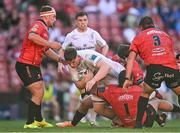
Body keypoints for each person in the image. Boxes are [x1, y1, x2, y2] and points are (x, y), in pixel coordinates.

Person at [123, 16, 180, 128]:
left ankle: (138, 125)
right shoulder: (165, 35)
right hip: (171, 67)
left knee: (145, 93)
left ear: (141, 27)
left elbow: (130, 59)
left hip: (155, 68)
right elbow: (170, 52)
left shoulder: (139, 36)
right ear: (153, 25)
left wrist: (127, 78)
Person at [58, 11, 109, 126]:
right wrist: (60, 63)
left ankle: (92, 119)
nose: (83, 23)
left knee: (93, 91)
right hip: (78, 67)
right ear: (76, 22)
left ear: (87, 21)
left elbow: (104, 45)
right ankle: (83, 113)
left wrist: (103, 58)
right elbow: (62, 49)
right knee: (83, 91)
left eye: (85, 20)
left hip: (92, 64)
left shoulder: (93, 33)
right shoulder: (71, 35)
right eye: (80, 20)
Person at [15, 5, 62, 128]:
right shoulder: (39, 25)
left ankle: (39, 120)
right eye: (53, 17)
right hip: (26, 63)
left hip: (33, 65)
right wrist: (51, 44)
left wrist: (60, 59)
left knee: (40, 92)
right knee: (37, 92)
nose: (55, 20)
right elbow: (32, 36)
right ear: (47, 16)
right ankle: (29, 123)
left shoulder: (45, 30)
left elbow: (46, 50)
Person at [56, 47, 125, 128]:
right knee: (90, 105)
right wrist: (87, 80)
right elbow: (79, 85)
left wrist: (93, 80)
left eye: (73, 62)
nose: (71, 65)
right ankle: (72, 124)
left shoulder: (88, 55)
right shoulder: (71, 64)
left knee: (118, 104)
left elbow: (106, 67)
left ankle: (124, 121)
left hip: (117, 77)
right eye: (69, 63)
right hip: (103, 81)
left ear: (78, 56)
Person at [96, 71, 180, 128]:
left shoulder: (110, 90)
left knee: (142, 103)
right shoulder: (138, 89)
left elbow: (95, 91)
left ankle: (159, 117)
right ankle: (176, 111)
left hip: (124, 122)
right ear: (130, 80)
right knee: (156, 101)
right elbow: (154, 94)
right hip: (142, 122)